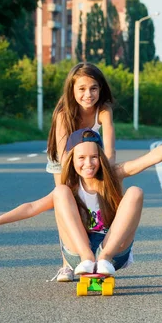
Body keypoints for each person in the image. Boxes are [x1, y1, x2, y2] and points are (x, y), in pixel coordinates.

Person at [0, 124, 162, 277]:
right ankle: (89, 257)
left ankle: (103, 257)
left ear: (100, 157)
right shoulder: (70, 187)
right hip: (79, 253)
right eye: (81, 158)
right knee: (60, 193)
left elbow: (152, 157)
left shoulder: (113, 175)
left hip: (113, 252)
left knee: (135, 192)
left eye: (93, 157)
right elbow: (32, 207)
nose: (88, 163)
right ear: (72, 161)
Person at [46, 62, 116, 281]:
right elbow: (64, 155)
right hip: (64, 159)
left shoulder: (103, 110)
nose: (88, 94)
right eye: (82, 89)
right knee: (66, 204)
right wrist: (75, 183)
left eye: (93, 88)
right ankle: (67, 263)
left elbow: (110, 150)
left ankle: (101, 252)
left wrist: (108, 175)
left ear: (100, 89)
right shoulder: (63, 113)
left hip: (91, 155)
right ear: (72, 90)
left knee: (99, 201)